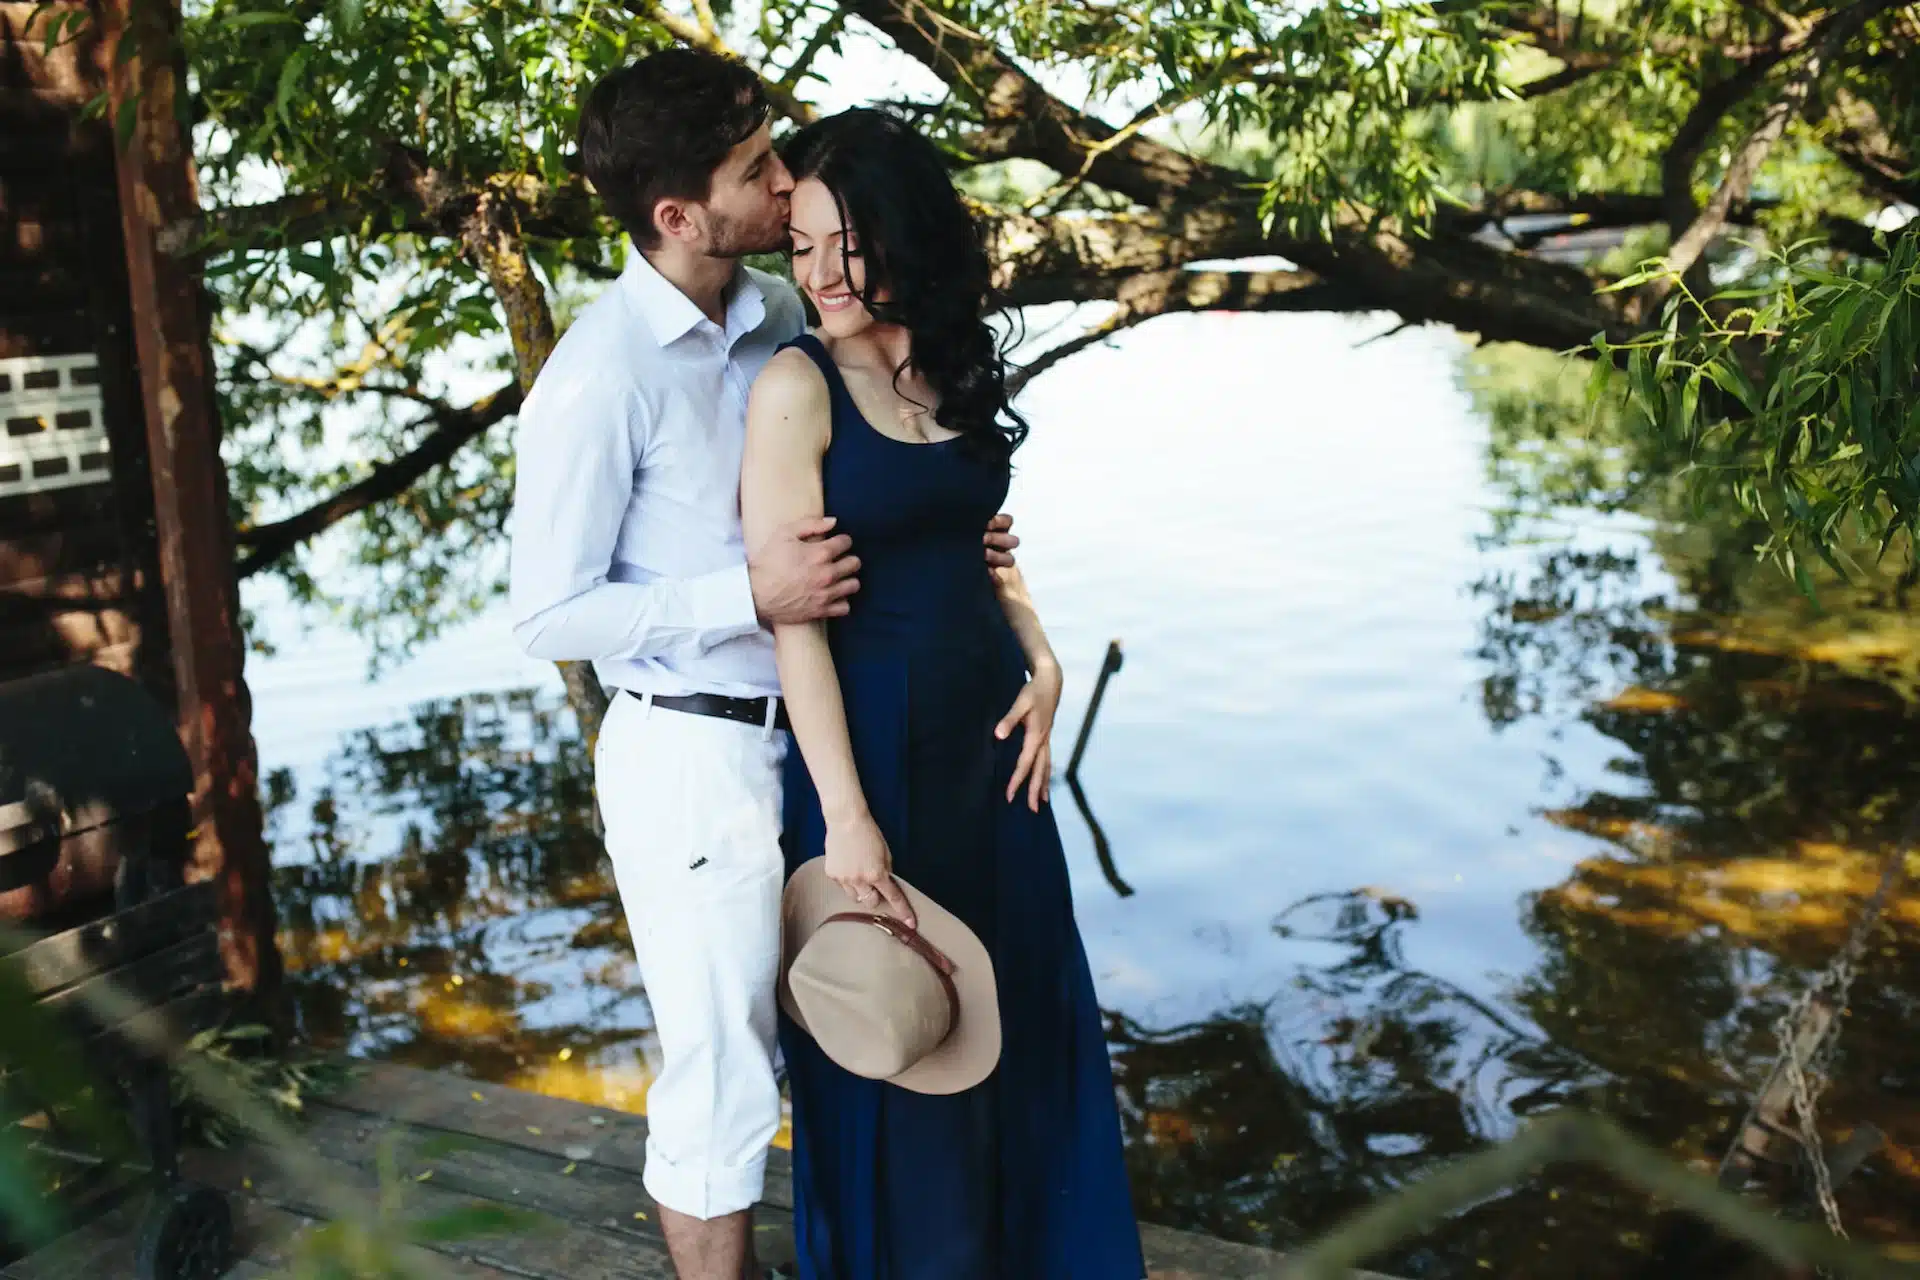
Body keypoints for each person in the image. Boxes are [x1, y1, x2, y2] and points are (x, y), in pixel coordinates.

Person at [507, 52, 1017, 1280]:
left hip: (813, 733)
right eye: (755, 170)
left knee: (860, 1010)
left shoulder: (778, 317)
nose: (788, 185)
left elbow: (853, 491)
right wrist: (749, 593)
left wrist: (951, 538)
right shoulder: (599, 376)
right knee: (725, 1070)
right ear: (677, 216)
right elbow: (547, 613)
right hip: (695, 751)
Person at [740, 107, 1146, 1279]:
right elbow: (793, 625)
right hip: (871, 757)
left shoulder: (947, 354)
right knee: (899, 1043)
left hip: (993, 756)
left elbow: (980, 541)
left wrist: (1047, 654)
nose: (819, 274)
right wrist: (849, 817)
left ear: (904, 233)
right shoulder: (793, 383)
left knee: (1022, 1025)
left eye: (845, 244)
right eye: (801, 245)